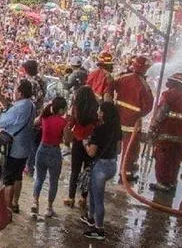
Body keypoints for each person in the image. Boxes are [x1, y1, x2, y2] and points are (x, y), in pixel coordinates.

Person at [81, 102, 122, 241]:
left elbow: (92, 153)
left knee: (98, 199)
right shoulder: (117, 129)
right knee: (94, 193)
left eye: (99, 110)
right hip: (112, 166)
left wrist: (85, 143)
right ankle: (90, 218)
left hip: (100, 167)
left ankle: (99, 229)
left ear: (103, 113)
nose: (97, 112)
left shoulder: (99, 130)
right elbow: (119, 150)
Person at [149, 73, 182, 192]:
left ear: (173, 83)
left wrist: (153, 127)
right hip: (180, 139)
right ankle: (171, 182)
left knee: (162, 160)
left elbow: (161, 113)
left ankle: (162, 184)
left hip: (166, 136)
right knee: (175, 161)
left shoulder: (168, 95)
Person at [0, 80, 36, 213]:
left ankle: (7, 210)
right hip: (25, 148)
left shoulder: (20, 107)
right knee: (18, 176)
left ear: (20, 93)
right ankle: (15, 203)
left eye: (15, 91)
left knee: (8, 180)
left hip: (14, 149)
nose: (14, 93)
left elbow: (1, 121)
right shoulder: (30, 105)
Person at [113, 56, 154, 182]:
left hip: (117, 117)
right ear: (145, 69)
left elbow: (110, 87)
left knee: (112, 143)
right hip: (132, 122)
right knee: (129, 149)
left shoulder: (122, 77)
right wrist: (139, 114)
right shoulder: (144, 85)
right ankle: (125, 173)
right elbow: (148, 106)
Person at [64, 86, 99, 210]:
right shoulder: (95, 110)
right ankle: (83, 198)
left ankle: (71, 197)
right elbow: (97, 125)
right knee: (87, 171)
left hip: (78, 141)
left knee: (75, 171)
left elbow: (70, 124)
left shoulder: (75, 109)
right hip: (91, 143)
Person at [32, 97, 68, 218]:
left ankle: (35, 202)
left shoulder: (45, 117)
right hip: (54, 152)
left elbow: (34, 123)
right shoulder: (63, 122)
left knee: (39, 179)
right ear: (61, 109)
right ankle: (49, 207)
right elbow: (68, 140)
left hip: (41, 149)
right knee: (53, 182)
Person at [21, 59, 46, 177]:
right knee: (35, 142)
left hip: (31, 114)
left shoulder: (30, 83)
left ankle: (29, 167)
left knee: (31, 142)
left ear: (26, 70)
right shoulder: (42, 80)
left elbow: (31, 100)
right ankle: (33, 166)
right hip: (40, 114)